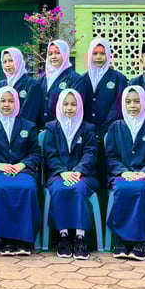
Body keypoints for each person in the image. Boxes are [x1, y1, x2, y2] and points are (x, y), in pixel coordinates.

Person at [105, 85, 145, 261]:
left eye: (137, 101)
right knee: (123, 188)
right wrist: (123, 172)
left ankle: (142, 241)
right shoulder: (115, 127)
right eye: (128, 102)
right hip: (121, 176)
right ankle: (123, 240)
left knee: (139, 189)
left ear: (144, 103)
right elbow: (111, 156)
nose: (132, 105)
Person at [0, 86, 41, 256]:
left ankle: (24, 240)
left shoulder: (28, 125)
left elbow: (35, 153)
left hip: (22, 172)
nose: (7, 104)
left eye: (11, 101)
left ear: (17, 103)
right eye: (3, 101)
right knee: (0, 189)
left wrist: (21, 165)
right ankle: (6, 239)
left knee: (28, 188)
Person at [42, 89, 99, 259]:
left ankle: (80, 237)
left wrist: (78, 171)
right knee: (60, 189)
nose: (69, 108)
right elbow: (50, 154)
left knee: (78, 189)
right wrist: (62, 172)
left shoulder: (87, 128)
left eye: (73, 104)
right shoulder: (51, 128)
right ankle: (64, 236)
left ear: (79, 106)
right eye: (65, 104)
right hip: (58, 175)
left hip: (83, 175)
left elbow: (90, 153)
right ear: (59, 105)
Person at [82, 38, 127, 139]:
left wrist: (102, 130)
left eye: (102, 53)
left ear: (108, 54)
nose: (98, 57)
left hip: (110, 134)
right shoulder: (82, 79)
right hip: (86, 134)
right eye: (95, 53)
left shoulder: (119, 79)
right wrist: (87, 129)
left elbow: (118, 108)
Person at [38, 40, 86, 127]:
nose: (53, 56)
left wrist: (54, 127)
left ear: (65, 54)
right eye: (50, 54)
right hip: (42, 129)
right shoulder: (42, 79)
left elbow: (76, 108)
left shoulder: (76, 79)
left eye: (57, 53)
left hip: (62, 128)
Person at [0, 47, 41, 124]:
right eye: (4, 62)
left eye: (11, 60)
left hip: (23, 128)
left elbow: (30, 113)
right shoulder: (1, 85)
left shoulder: (32, 84)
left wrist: (16, 127)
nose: (7, 65)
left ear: (18, 61)